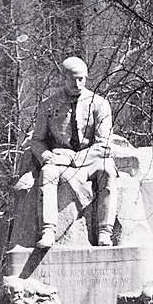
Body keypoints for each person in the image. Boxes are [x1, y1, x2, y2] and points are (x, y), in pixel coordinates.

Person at [26, 55, 119, 249]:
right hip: (61, 158)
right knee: (48, 173)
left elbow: (104, 144)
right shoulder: (48, 105)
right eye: (72, 79)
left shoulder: (99, 104)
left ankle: (104, 231)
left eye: (81, 79)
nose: (77, 83)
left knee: (108, 172)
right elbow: (37, 140)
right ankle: (49, 230)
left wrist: (78, 159)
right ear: (63, 78)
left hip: (90, 158)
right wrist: (46, 156)